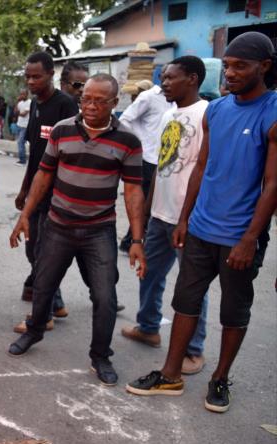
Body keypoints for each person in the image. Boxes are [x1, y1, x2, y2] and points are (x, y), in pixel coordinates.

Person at [126, 32, 277, 413]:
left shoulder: (272, 112)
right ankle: (170, 374)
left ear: (264, 66)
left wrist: (250, 238)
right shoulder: (218, 110)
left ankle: (220, 378)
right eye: (227, 65)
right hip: (200, 228)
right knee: (185, 302)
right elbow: (201, 167)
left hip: (239, 235)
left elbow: (273, 183)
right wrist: (185, 218)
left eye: (240, 66)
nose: (231, 73)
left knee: (233, 312)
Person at [7, 74, 147, 386]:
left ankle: (101, 355)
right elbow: (44, 175)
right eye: (86, 99)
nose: (91, 106)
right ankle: (34, 330)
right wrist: (25, 215)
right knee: (43, 285)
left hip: (99, 230)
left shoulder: (128, 140)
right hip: (58, 225)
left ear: (115, 103)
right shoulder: (62, 130)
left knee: (105, 296)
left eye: (100, 101)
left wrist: (137, 239)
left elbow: (133, 191)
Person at [120, 57, 210, 375]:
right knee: (150, 273)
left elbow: (205, 168)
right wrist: (147, 209)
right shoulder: (169, 114)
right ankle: (148, 327)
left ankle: (193, 349)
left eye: (171, 78)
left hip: (190, 218)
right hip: (160, 214)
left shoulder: (206, 114)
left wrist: (187, 217)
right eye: (163, 77)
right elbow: (162, 163)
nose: (164, 84)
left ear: (193, 79)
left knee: (192, 286)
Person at [14, 52, 79, 331]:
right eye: (27, 76)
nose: (31, 81)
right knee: (34, 251)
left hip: (58, 196)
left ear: (51, 74)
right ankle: (57, 303)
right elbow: (35, 154)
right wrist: (24, 190)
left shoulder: (65, 105)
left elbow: (73, 153)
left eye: (36, 76)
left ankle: (45, 315)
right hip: (36, 192)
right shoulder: (34, 105)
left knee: (43, 252)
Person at [118, 79, 172, 252]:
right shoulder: (149, 97)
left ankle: (132, 240)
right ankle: (132, 240)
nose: (168, 81)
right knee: (145, 202)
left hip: (164, 160)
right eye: (166, 76)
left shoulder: (175, 100)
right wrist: (141, 141)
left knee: (154, 202)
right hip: (148, 159)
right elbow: (125, 119)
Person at [14, 89, 31, 165]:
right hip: (19, 124)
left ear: (27, 94)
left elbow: (24, 114)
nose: (22, 96)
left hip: (25, 126)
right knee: (20, 143)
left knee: (21, 142)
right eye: (21, 94)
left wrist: (18, 113)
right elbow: (15, 112)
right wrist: (17, 102)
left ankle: (23, 160)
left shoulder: (29, 102)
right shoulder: (20, 103)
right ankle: (21, 159)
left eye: (23, 94)